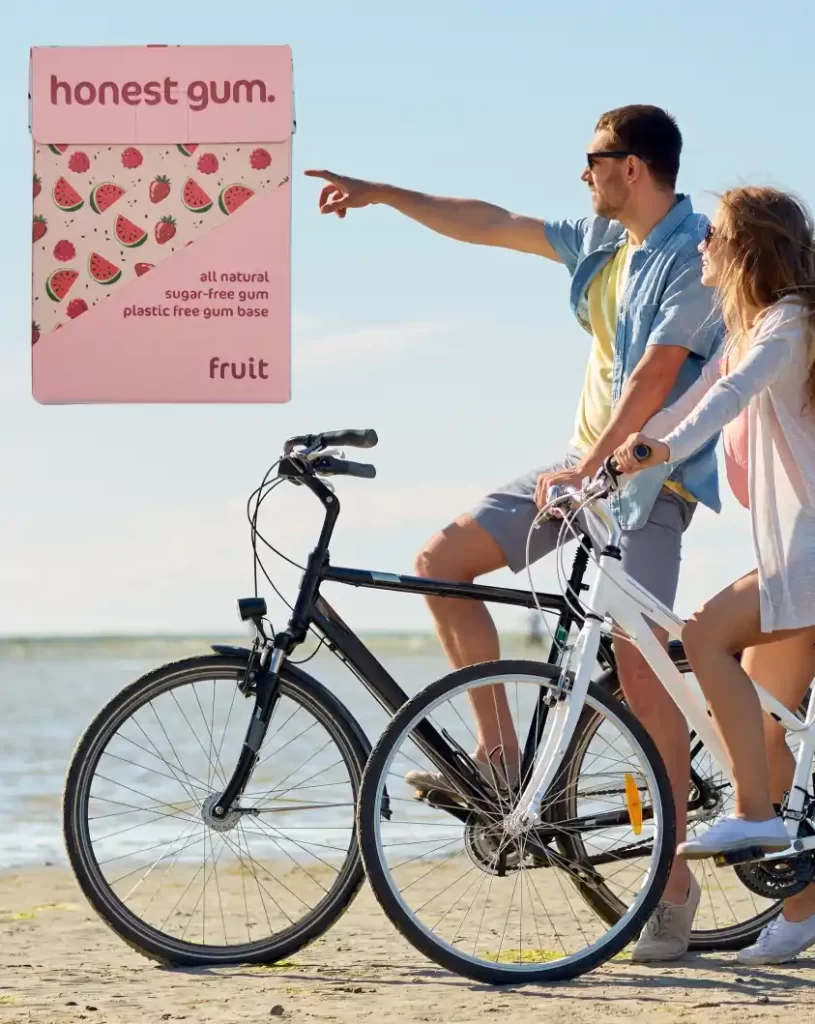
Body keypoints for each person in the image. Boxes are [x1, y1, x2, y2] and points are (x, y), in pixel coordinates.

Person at [306, 104, 723, 961]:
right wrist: (383, 194)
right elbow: (489, 223)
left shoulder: (695, 254)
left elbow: (656, 375)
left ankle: (671, 879)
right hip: (578, 467)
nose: (582, 173)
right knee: (443, 561)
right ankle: (500, 769)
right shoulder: (605, 243)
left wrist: (596, 466)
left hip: (650, 479)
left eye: (592, 159)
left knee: (644, 683)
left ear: (633, 166)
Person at [614, 185, 815, 965]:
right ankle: (800, 910)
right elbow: (691, 395)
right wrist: (601, 467)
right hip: (789, 553)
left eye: (712, 239)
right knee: (766, 729)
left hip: (808, 554)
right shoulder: (749, 329)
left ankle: (752, 813)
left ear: (745, 248)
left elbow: (725, 400)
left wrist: (659, 451)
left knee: (700, 633)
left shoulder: (791, 322)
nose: (700, 246)